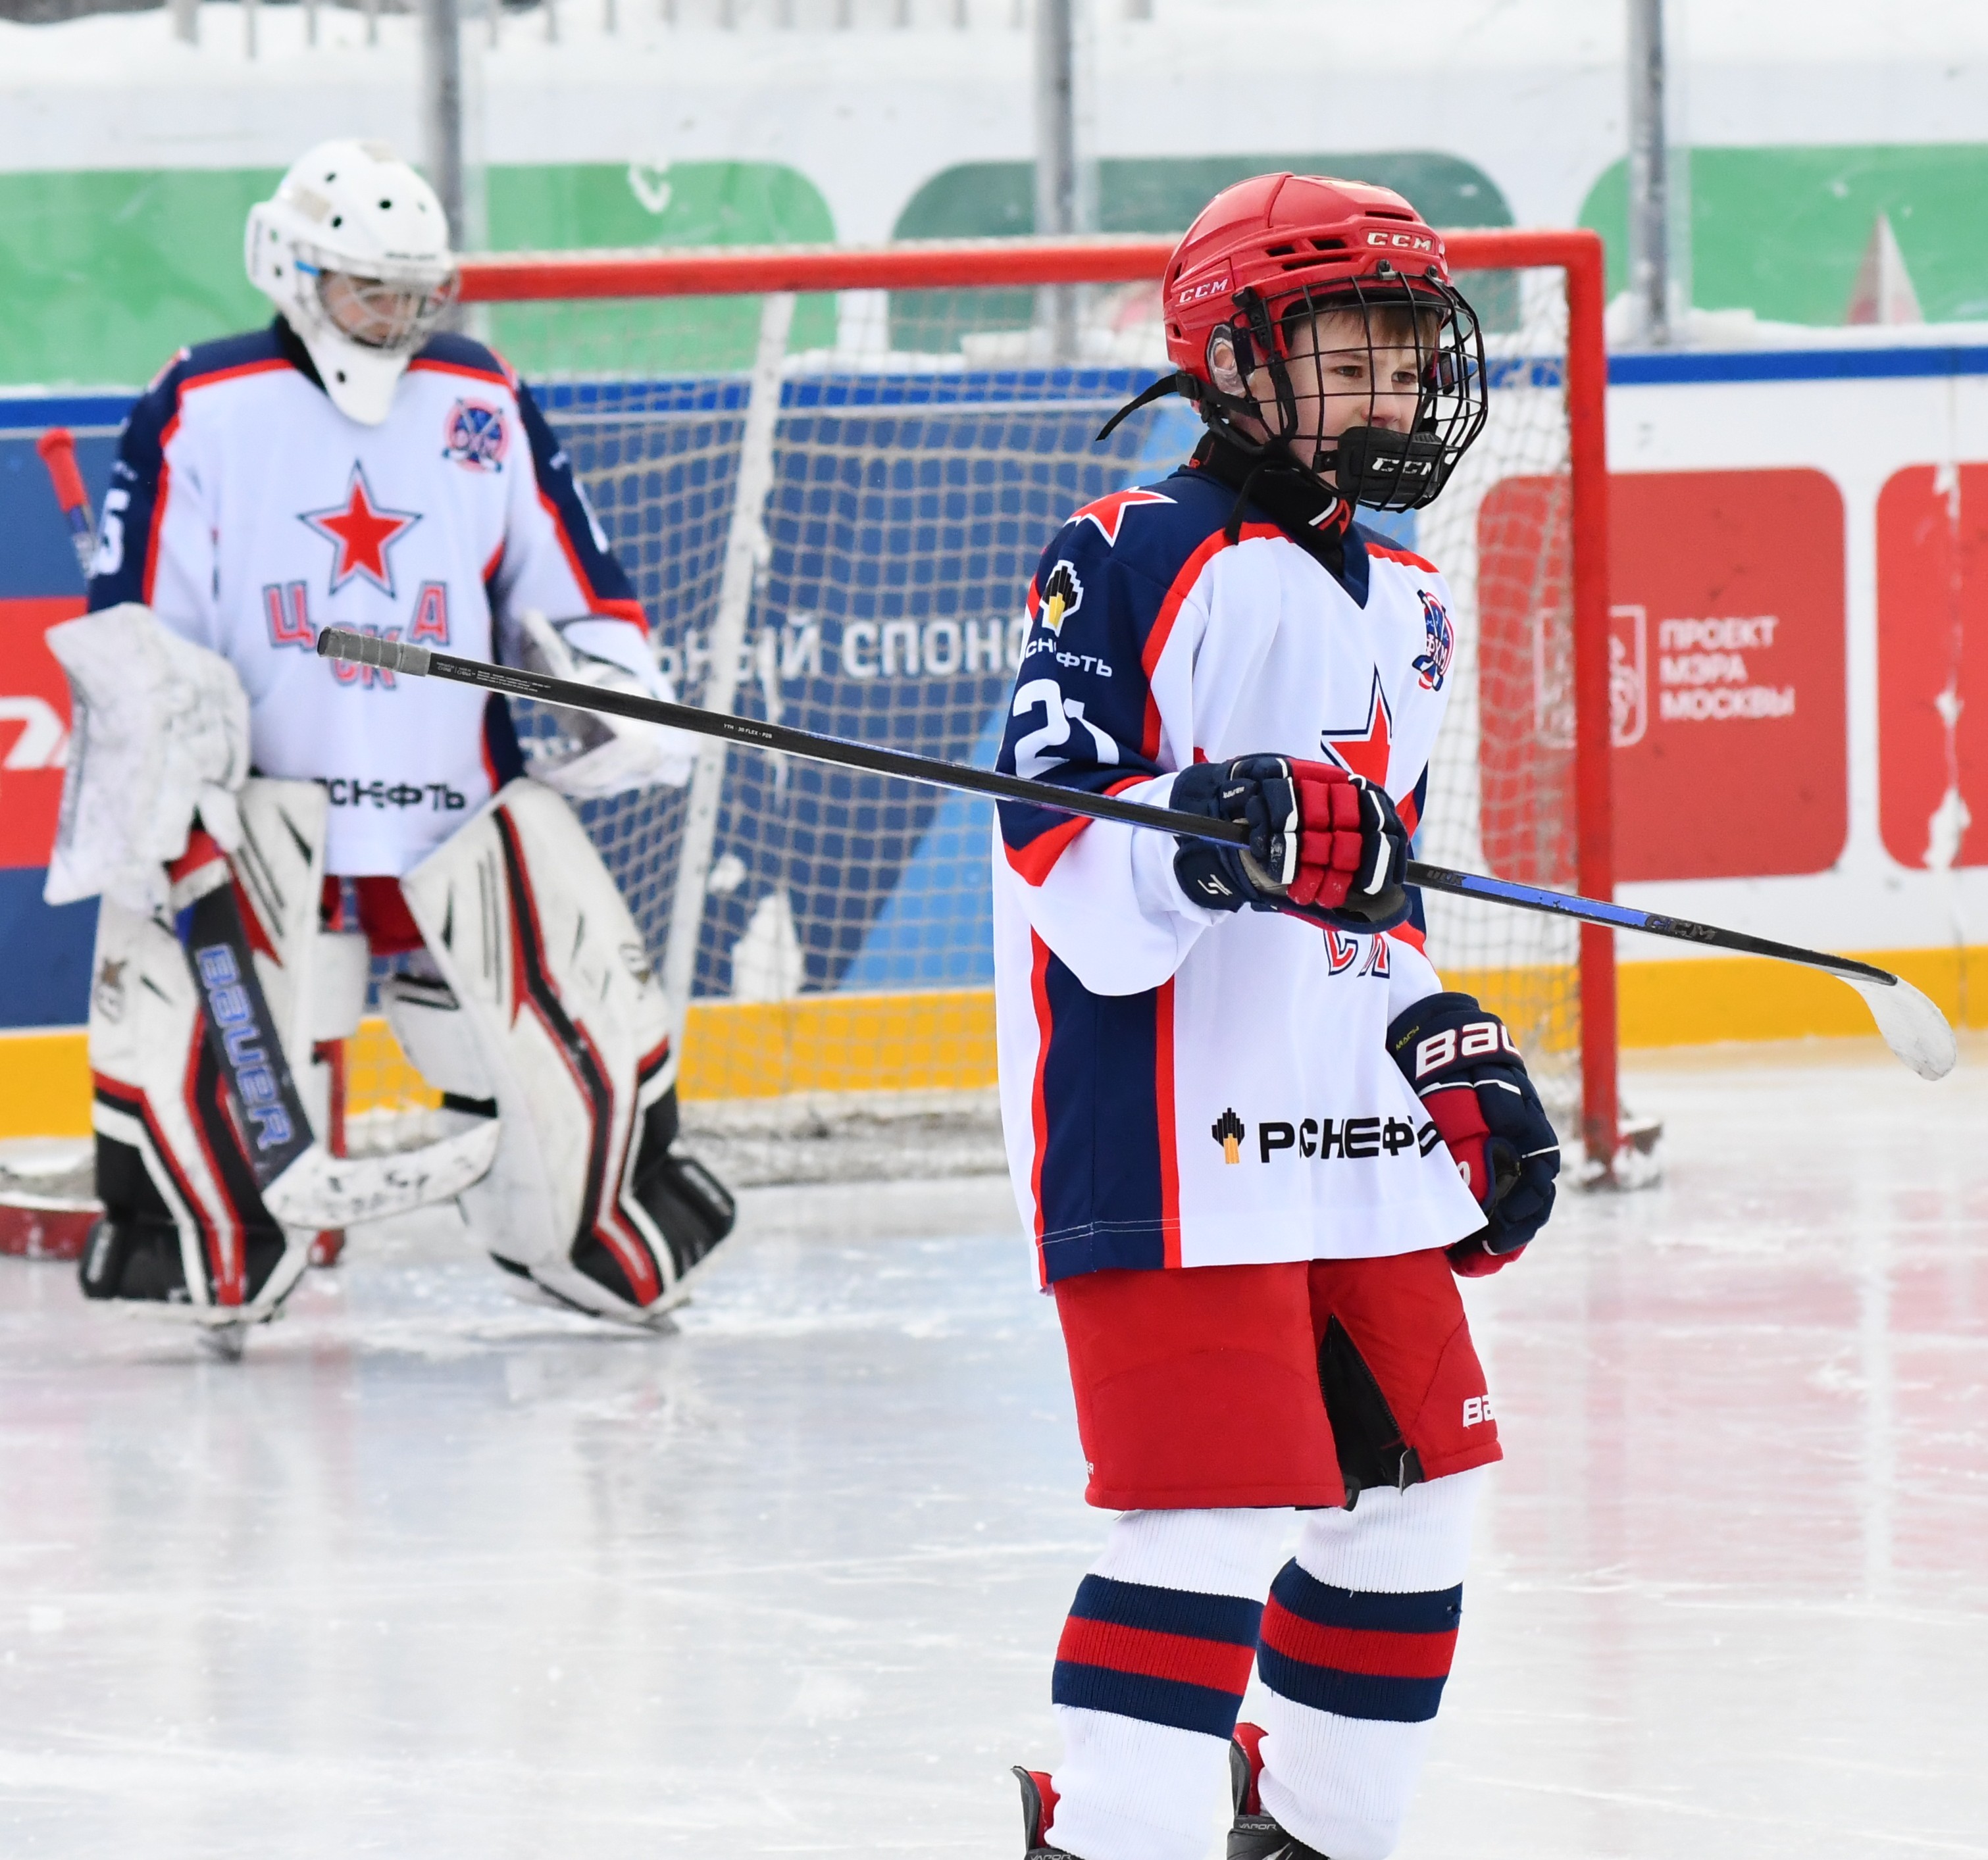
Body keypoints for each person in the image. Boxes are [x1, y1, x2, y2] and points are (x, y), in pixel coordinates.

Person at [991, 174, 1560, 1860]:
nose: (1392, 389)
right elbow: (1065, 868)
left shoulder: (1412, 602)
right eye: (1348, 351)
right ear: (1234, 356)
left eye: (1407, 351)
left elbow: (1374, 894)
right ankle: (1109, 1834)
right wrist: (1219, 826)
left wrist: (1445, 1042)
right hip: (1175, 1133)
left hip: (1351, 1130)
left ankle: (1305, 1831)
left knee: (1416, 1499)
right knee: (1209, 1516)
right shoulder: (1128, 551)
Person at [55, 138, 733, 1333]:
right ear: (294, 268)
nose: (399, 317)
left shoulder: (479, 397)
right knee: (195, 1054)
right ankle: (209, 1249)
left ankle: (581, 1236)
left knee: (572, 1060)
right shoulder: (205, 401)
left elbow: (567, 573)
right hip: (265, 817)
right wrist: (160, 748)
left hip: (450, 805)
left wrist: (606, 681)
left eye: (421, 293)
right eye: (373, 289)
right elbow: (141, 618)